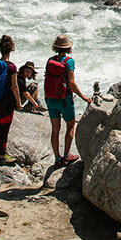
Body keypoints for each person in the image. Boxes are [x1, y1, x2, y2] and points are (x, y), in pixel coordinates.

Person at [44, 34, 91, 168]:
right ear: (68, 48)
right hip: (65, 100)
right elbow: (71, 83)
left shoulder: (50, 61)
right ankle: (66, 155)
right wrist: (83, 97)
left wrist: (46, 96)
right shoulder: (69, 62)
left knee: (55, 130)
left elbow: (46, 80)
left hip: (51, 99)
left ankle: (57, 158)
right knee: (70, 126)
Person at [0, 34, 22, 162]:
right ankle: (2, 154)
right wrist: (18, 102)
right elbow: (14, 86)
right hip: (7, 100)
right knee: (5, 127)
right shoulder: (11, 67)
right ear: (11, 49)